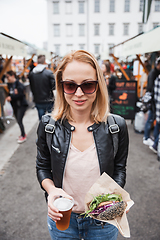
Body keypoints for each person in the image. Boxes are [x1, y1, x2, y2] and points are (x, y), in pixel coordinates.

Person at [36, 50, 129, 240]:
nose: (79, 93)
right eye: (70, 85)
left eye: (88, 85)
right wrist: (52, 191)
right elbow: (42, 167)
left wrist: (115, 197)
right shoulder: (48, 125)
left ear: (99, 86)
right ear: (61, 86)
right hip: (62, 218)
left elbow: (120, 169)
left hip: (103, 221)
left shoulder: (116, 126)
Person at [28, 55, 55, 120]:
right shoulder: (48, 73)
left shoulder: (32, 73)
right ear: (44, 62)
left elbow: (31, 87)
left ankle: (42, 130)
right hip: (49, 99)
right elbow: (54, 87)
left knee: (41, 119)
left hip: (38, 99)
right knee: (52, 119)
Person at [6, 70, 28, 143]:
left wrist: (12, 97)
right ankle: (23, 134)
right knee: (18, 120)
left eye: (8, 76)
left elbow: (21, 95)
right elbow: (11, 94)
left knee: (19, 120)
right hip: (15, 105)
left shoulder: (19, 84)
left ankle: (23, 135)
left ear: (12, 76)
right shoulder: (9, 85)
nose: (7, 78)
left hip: (21, 105)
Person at [143, 57, 160, 146]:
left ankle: (147, 137)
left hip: (153, 101)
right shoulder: (154, 73)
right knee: (150, 119)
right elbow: (150, 88)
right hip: (153, 102)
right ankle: (146, 137)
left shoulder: (154, 73)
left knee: (152, 119)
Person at [149, 74, 160, 153]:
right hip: (158, 106)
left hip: (157, 106)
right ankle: (156, 144)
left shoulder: (157, 78)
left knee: (157, 125)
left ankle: (156, 144)